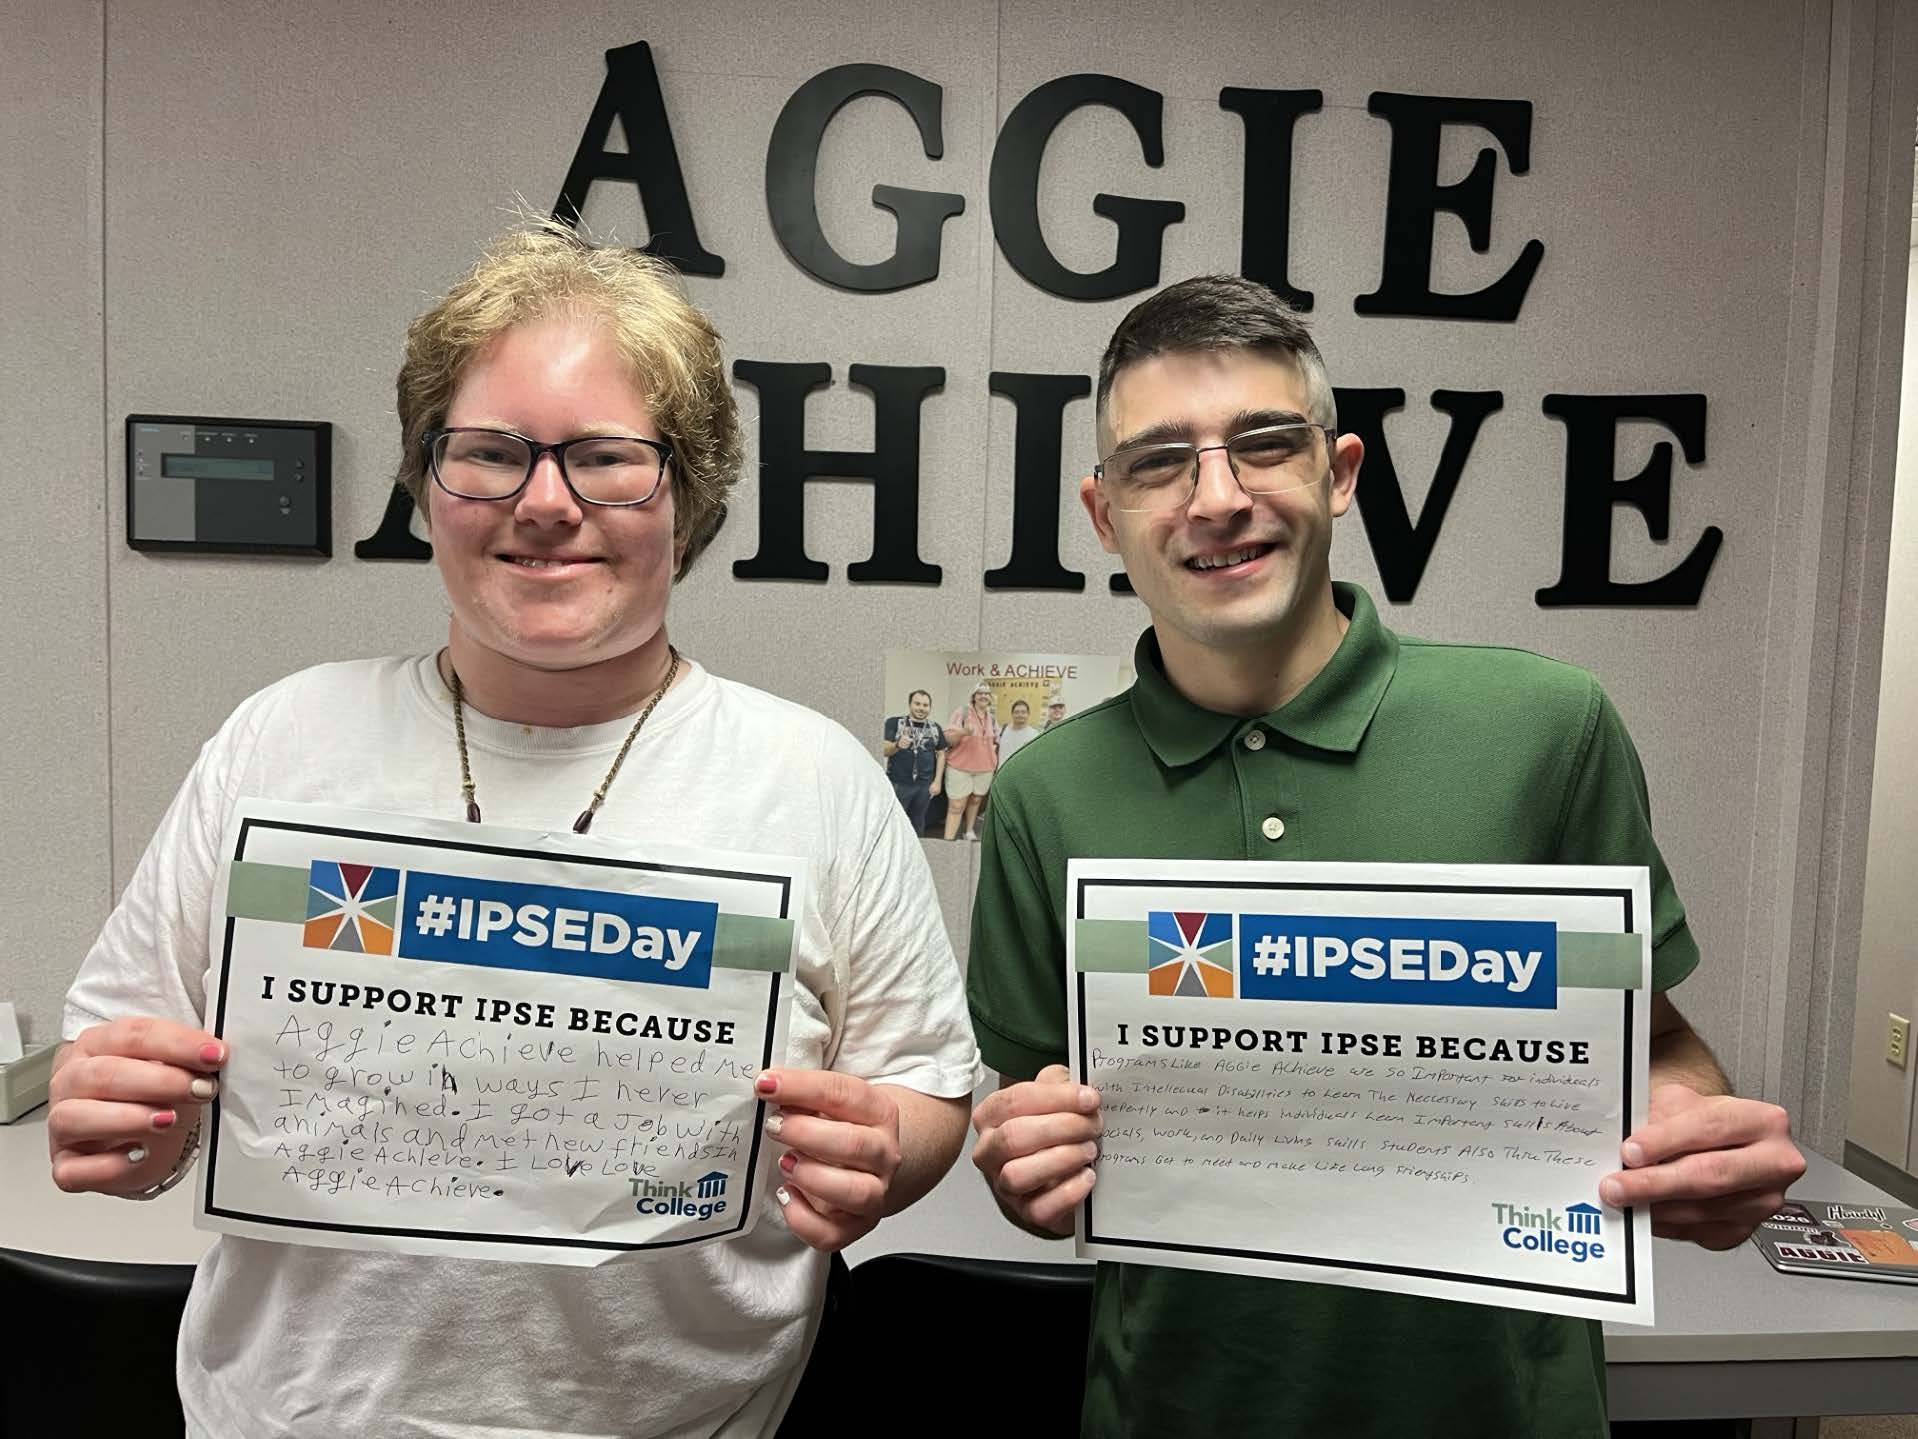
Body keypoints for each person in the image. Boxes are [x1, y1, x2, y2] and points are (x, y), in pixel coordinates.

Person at [49, 222, 979, 1439]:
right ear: (428, 481)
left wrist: (886, 1148)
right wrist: (131, 1123)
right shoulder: (277, 743)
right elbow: (122, 1064)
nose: (547, 503)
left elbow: (923, 1090)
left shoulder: (815, 779)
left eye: (605, 457)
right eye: (490, 453)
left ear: (684, 492)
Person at [964, 275, 1805, 1438]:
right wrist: (1021, 1161)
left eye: (1264, 443)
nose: (1218, 497)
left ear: (1340, 473)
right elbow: (1035, 1126)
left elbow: (1657, 1044)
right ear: (1104, 514)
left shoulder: (1543, 726)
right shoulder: (1040, 794)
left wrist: (1695, 1133)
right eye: (1160, 461)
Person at [881, 687, 947, 834]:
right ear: (910, 704)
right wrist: (897, 745)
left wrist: (937, 782)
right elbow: (884, 750)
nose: (921, 708)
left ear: (929, 707)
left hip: (924, 786)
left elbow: (941, 754)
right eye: (917, 704)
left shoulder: (935, 728)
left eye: (925, 705)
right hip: (899, 783)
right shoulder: (894, 723)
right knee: (894, 824)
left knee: (918, 823)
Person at [941, 679, 999, 841]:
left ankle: (969, 831)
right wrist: (963, 732)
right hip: (960, 767)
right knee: (956, 805)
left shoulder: (992, 718)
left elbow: (995, 741)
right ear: (974, 696)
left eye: (987, 694)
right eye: (980, 693)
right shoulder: (962, 712)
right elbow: (948, 739)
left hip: (984, 768)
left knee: (976, 799)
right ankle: (948, 840)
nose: (984, 696)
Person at [995, 698, 1042, 766]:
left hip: (1022, 774)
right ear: (1012, 714)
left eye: (1023, 712)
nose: (1020, 715)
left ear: (1028, 714)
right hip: (1002, 774)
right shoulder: (1002, 730)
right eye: (1017, 712)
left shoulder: (1034, 735)